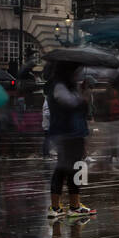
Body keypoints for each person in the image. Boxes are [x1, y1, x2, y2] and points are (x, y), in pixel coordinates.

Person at [46, 62, 95, 218]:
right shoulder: (60, 86)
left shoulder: (68, 86)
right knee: (65, 168)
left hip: (73, 133)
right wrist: (84, 97)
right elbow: (71, 104)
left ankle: (72, 204)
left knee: (73, 168)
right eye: (75, 72)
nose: (77, 75)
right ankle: (60, 206)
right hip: (67, 133)